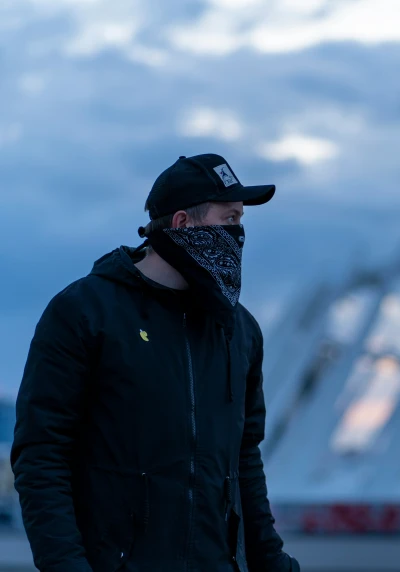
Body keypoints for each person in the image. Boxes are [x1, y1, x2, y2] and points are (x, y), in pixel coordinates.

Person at [11, 154, 300, 572]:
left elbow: (244, 459)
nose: (238, 234)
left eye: (240, 221)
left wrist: (271, 561)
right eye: (230, 218)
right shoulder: (84, 313)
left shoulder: (239, 330)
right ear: (183, 225)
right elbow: (42, 456)